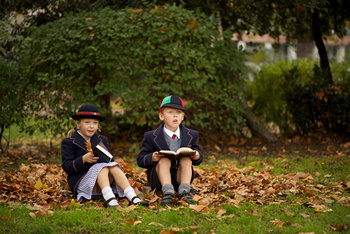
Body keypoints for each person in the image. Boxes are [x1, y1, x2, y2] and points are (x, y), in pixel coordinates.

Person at [61, 104, 149, 208]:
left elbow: (110, 159)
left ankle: (132, 196)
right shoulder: (69, 142)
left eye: (95, 123)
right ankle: (109, 198)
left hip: (103, 181)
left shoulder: (102, 139)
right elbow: (67, 167)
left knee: (114, 165)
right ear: (78, 123)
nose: (91, 126)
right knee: (101, 167)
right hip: (83, 182)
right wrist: (83, 159)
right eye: (87, 122)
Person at [137, 95, 203, 205]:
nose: (175, 115)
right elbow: (140, 159)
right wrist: (152, 157)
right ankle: (168, 193)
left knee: (186, 158)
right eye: (170, 112)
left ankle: (185, 191)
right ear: (161, 116)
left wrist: (197, 155)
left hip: (181, 177)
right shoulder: (150, 136)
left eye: (178, 112)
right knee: (164, 160)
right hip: (159, 179)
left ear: (183, 116)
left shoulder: (191, 135)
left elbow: (198, 155)